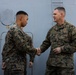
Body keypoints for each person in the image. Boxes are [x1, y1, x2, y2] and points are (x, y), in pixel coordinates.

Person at [37, 7, 76, 75]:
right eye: (53, 14)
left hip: (65, 66)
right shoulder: (52, 30)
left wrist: (62, 49)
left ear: (62, 14)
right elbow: (46, 42)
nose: (53, 16)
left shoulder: (71, 29)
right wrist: (40, 50)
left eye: (55, 14)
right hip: (51, 66)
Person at [2, 11, 37, 75]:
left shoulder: (18, 32)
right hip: (15, 67)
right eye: (26, 19)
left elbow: (5, 48)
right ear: (21, 18)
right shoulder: (15, 30)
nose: (27, 22)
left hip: (15, 66)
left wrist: (4, 60)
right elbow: (22, 46)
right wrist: (36, 51)